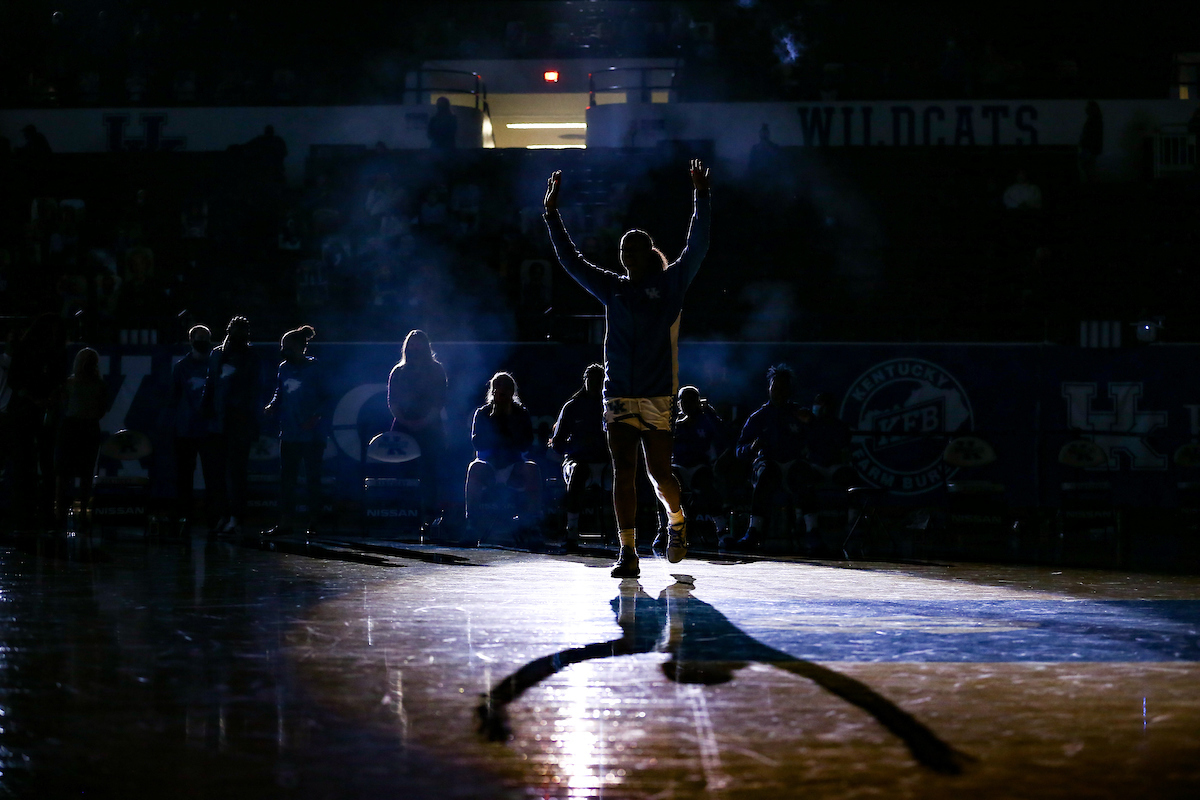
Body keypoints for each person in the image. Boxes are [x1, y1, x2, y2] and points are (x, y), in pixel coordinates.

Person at [544, 159, 711, 577]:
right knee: (624, 472)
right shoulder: (613, 288)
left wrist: (701, 196)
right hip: (617, 392)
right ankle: (628, 552)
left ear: (648, 252)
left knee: (658, 473)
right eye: (622, 251)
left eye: (633, 249)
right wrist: (551, 216)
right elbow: (572, 261)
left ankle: (676, 519)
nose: (625, 256)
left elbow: (699, 245)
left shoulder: (671, 283)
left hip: (657, 393)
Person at [724, 364, 810, 551]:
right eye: (775, 388)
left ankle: (811, 531)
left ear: (790, 390)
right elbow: (739, 450)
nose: (779, 392)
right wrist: (752, 447)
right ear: (769, 389)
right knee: (767, 472)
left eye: (783, 388)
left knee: (803, 472)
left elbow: (818, 441)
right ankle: (754, 531)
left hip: (794, 464)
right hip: (768, 465)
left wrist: (812, 425)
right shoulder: (759, 417)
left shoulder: (801, 414)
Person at [264, 325, 330, 536]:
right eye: (283, 347)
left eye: (289, 347)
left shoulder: (315, 368)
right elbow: (279, 392)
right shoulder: (283, 368)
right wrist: (273, 405)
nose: (285, 350)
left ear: (301, 348)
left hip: (312, 435)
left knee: (313, 478)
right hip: (290, 433)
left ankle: (315, 522)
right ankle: (285, 522)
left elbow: (327, 397)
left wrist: (315, 418)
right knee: (287, 480)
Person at [201, 316, 264, 534]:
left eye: (243, 332)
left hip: (239, 423)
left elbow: (253, 391)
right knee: (217, 473)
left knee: (236, 473)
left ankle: (236, 516)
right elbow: (210, 384)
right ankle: (222, 514)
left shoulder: (250, 357)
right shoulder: (217, 354)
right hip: (217, 423)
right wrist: (206, 410)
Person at [466, 372, 541, 535]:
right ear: (493, 390)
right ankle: (471, 521)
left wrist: (509, 431)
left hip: (513, 464)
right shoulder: (482, 413)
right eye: (498, 387)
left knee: (532, 468)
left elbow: (527, 443)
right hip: (490, 464)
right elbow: (476, 442)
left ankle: (532, 521)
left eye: (506, 388)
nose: (502, 392)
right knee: (474, 468)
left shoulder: (521, 413)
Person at [387, 330, 448, 522]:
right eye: (411, 344)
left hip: (430, 428)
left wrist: (424, 422)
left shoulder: (436, 370)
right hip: (403, 427)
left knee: (429, 471)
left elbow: (439, 400)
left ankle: (430, 514)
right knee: (401, 471)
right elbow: (392, 401)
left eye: (418, 343)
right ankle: (400, 513)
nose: (414, 347)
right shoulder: (398, 371)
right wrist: (406, 422)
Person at [662, 384, 730, 547]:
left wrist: (711, 414)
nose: (688, 404)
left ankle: (722, 530)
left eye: (692, 400)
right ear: (679, 404)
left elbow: (723, 436)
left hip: (700, 466)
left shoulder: (706, 421)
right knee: (666, 485)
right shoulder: (674, 424)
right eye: (684, 401)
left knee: (705, 482)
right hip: (679, 467)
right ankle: (665, 530)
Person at [549, 363, 608, 542]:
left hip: (606, 464)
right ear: (585, 381)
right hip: (577, 463)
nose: (595, 383)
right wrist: (576, 449)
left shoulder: (611, 406)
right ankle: (572, 527)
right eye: (591, 379)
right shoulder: (572, 407)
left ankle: (620, 530)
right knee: (579, 470)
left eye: (599, 380)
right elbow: (557, 442)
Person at [53, 347, 110, 530]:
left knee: (63, 473)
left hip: (71, 428)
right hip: (89, 428)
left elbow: (63, 405)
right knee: (85, 473)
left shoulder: (70, 383)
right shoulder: (99, 385)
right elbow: (102, 410)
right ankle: (83, 512)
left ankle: (59, 513)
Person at [170, 325, 219, 529]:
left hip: (209, 428)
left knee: (212, 474)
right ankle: (185, 515)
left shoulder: (215, 364)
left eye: (206, 338)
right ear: (191, 340)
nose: (203, 342)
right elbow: (174, 396)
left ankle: (213, 516)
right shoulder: (181, 366)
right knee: (184, 474)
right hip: (186, 428)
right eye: (199, 338)